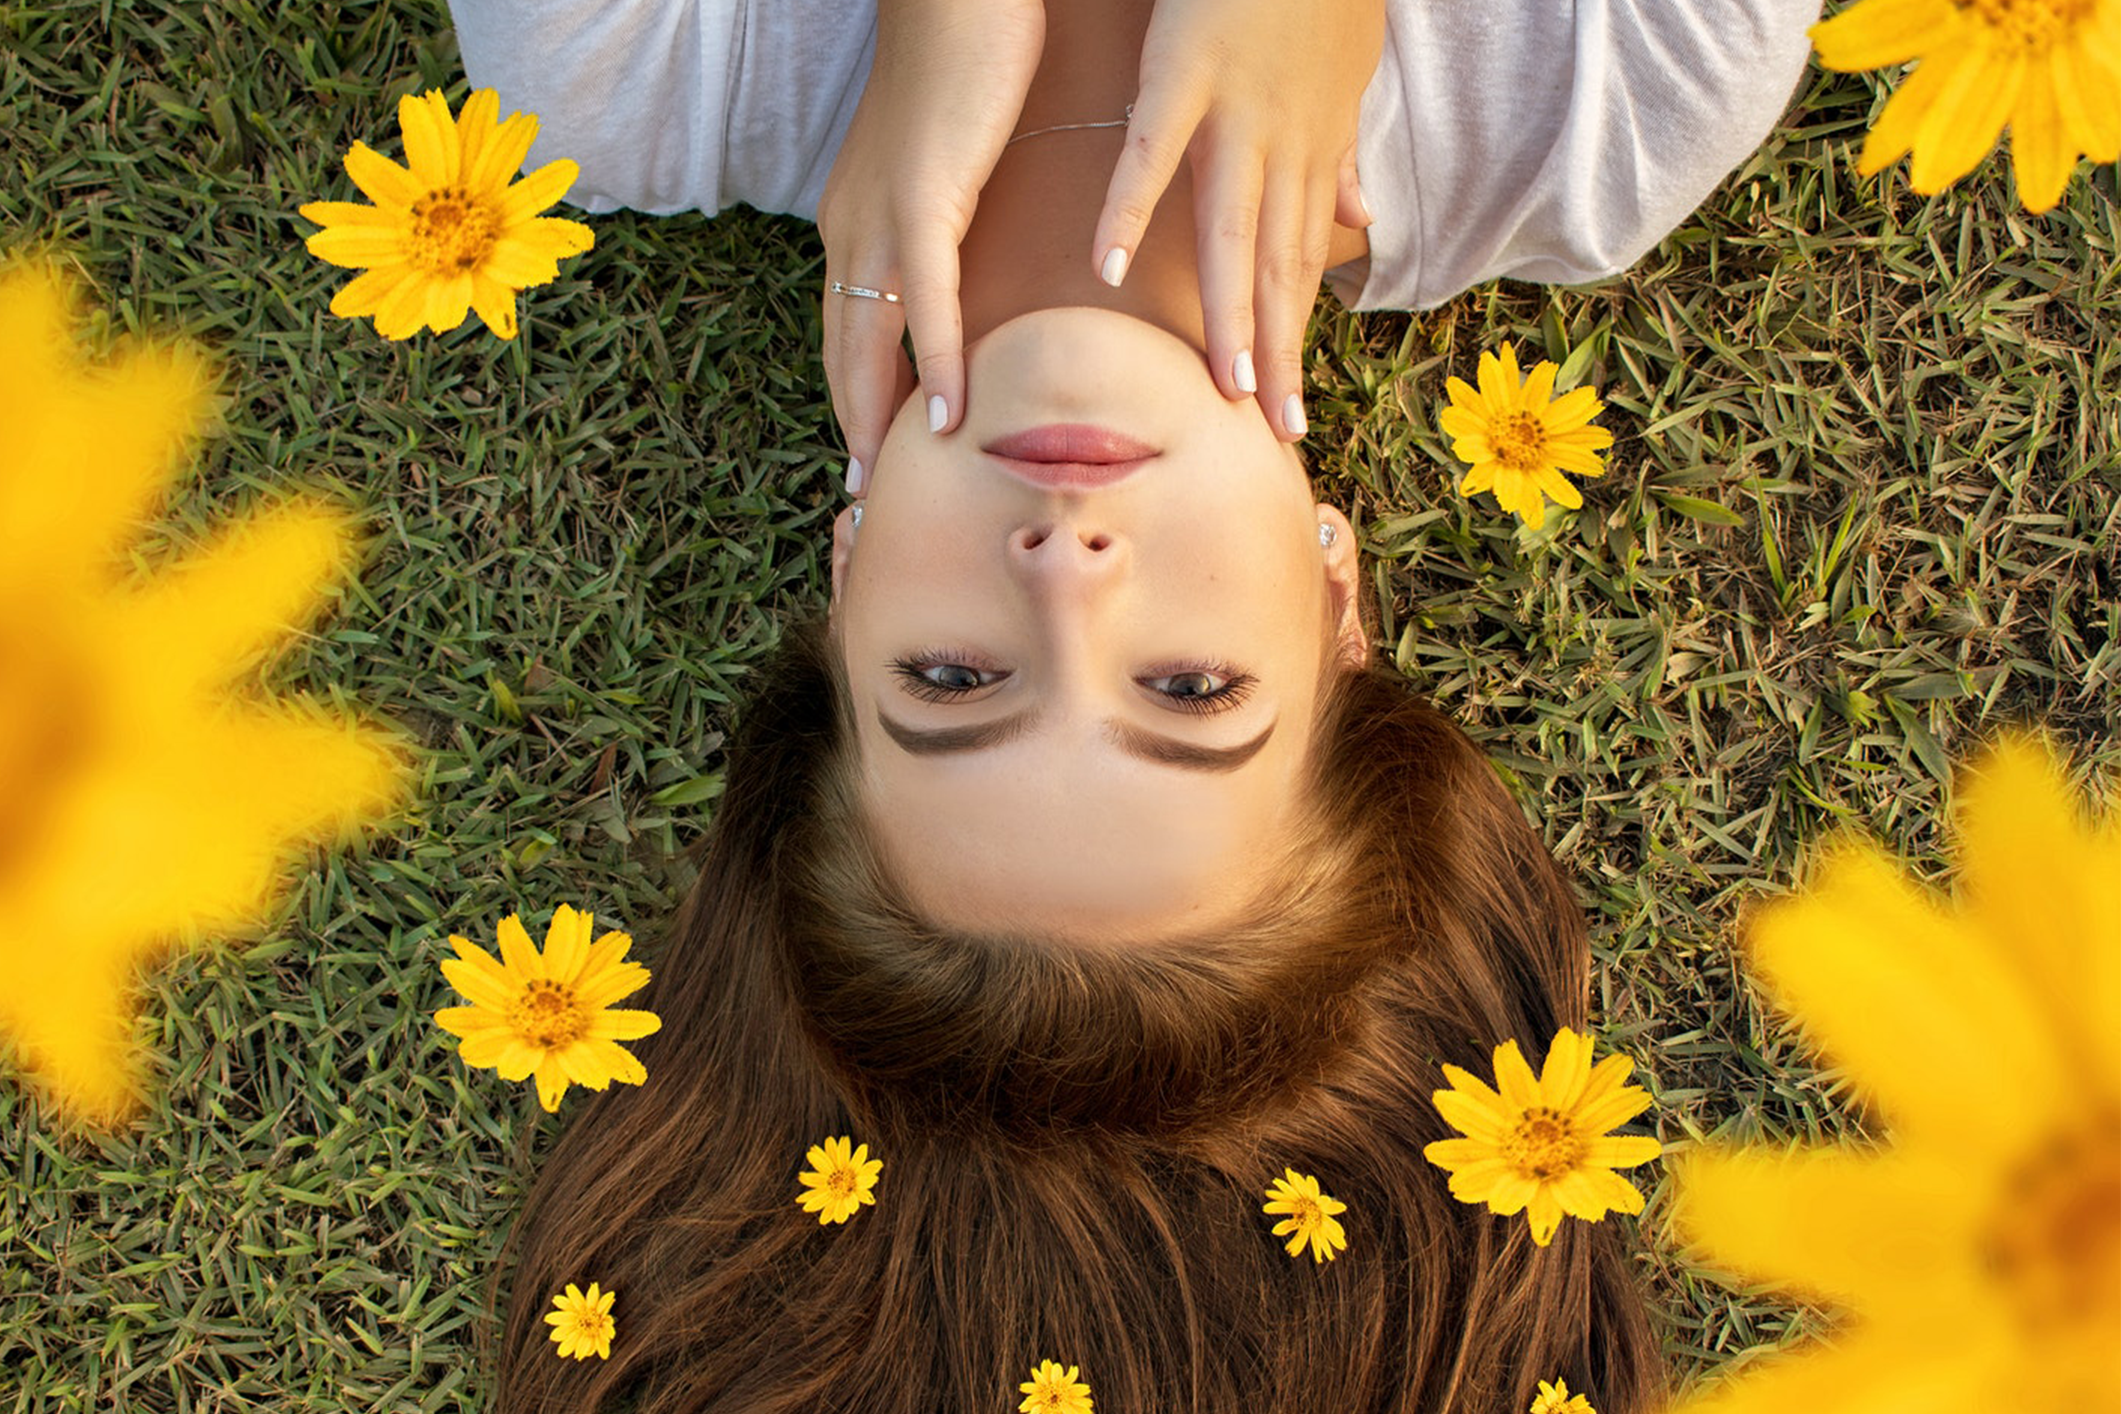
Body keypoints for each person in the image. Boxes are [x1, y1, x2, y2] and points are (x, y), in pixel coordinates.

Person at [441, 0, 1820, 1407]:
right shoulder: (1612, 98)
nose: (1069, 574)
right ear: (1340, 607)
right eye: (1192, 690)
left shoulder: (621, 66)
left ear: (845, 588)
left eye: (956, 679)